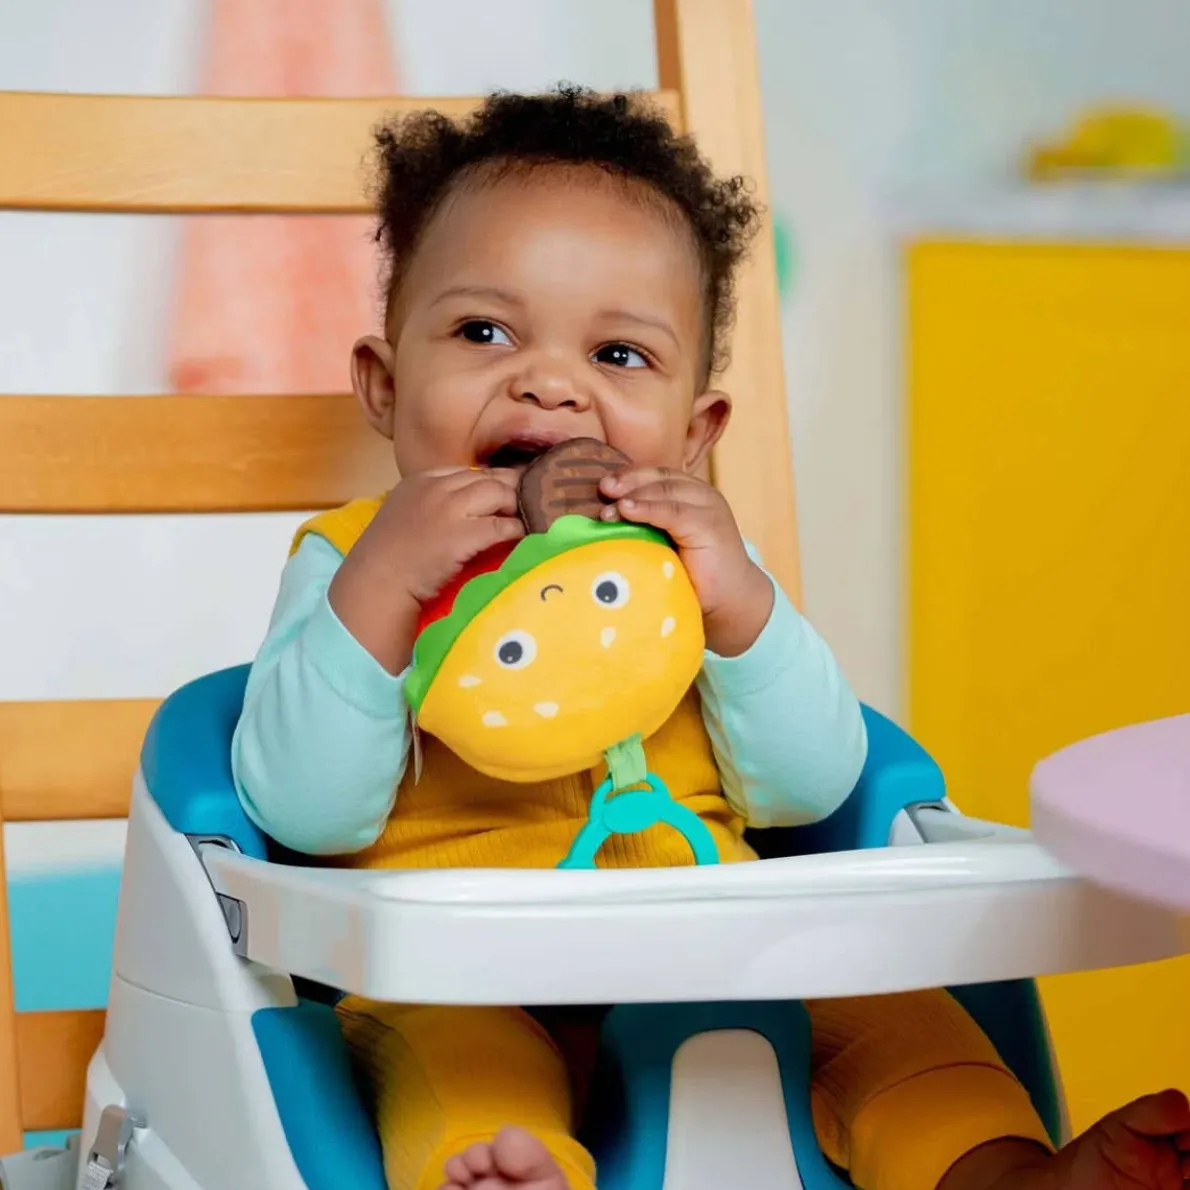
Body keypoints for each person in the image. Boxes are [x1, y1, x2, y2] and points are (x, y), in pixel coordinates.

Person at [231, 87, 1190, 1190]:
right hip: (458, 977)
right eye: (482, 331)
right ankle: (513, 1173)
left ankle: (1010, 1173)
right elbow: (299, 808)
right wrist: (384, 588)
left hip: (717, 949)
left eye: (620, 355)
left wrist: (739, 605)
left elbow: (810, 786)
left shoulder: (690, 568)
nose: (549, 379)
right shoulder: (351, 558)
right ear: (387, 385)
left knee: (897, 1025)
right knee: (460, 1074)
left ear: (694, 432)